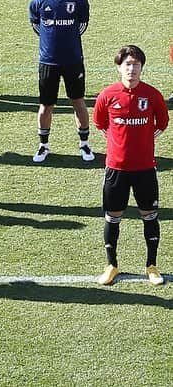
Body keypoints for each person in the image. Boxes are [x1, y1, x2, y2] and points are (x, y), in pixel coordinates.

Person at [92, 45, 169, 285]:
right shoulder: (107, 95)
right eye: (127, 64)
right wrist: (118, 142)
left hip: (145, 168)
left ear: (142, 68)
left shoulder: (152, 95)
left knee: (150, 216)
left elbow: (162, 123)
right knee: (113, 217)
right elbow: (100, 123)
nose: (131, 69)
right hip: (116, 169)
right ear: (119, 67)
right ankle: (111, 265)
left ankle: (152, 266)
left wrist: (144, 140)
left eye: (136, 65)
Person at [28, 0, 93, 162]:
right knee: (46, 105)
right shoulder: (38, 1)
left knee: (78, 101)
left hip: (73, 60)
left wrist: (67, 40)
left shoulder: (79, 0)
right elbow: (37, 26)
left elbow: (82, 25)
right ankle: (43, 145)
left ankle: (84, 144)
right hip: (48, 61)